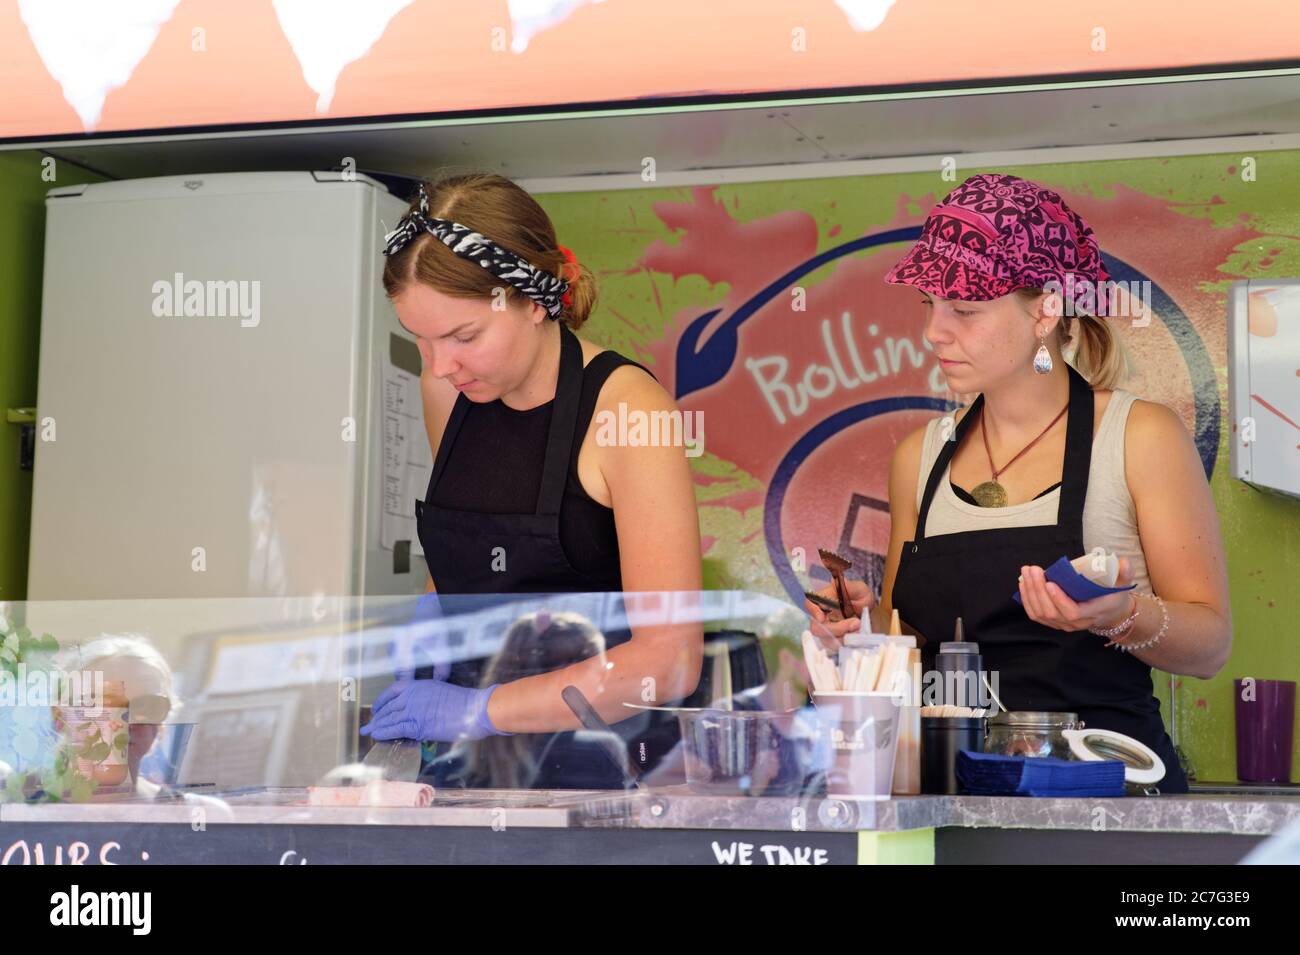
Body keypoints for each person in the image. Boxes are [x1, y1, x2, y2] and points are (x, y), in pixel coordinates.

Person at [807, 174, 1232, 793]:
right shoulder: (918, 458)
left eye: (966, 310)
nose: (934, 331)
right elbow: (907, 648)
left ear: (1046, 311)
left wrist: (1119, 616)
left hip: (1104, 802)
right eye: (929, 304)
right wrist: (856, 634)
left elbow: (1211, 646)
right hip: (952, 801)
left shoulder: (1139, 435)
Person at [362, 173, 702, 758]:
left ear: (537, 300)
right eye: (420, 339)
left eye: (463, 335)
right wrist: (431, 621)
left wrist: (477, 710)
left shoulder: (627, 411)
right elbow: (470, 533)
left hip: (606, 769)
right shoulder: (448, 393)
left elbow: (668, 662)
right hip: (470, 767)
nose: (441, 364)